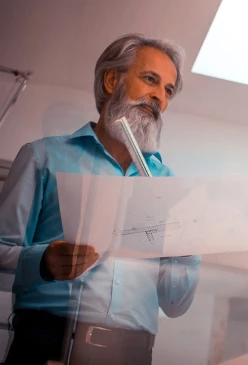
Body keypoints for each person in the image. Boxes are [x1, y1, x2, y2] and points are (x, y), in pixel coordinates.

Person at [0, 34, 200, 365]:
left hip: (133, 354)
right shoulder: (43, 157)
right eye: (150, 79)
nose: (159, 99)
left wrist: (187, 252)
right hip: (46, 344)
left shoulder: (172, 189)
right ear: (111, 79)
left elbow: (176, 305)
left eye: (167, 90)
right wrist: (43, 262)